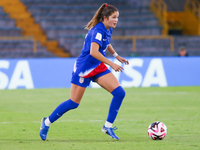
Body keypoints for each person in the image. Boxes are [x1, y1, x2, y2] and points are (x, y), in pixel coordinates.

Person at [39, 3, 129, 141]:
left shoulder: (108, 28)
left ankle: (107, 126)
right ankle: (46, 123)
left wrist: (116, 55)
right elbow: (93, 52)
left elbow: (107, 43)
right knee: (73, 103)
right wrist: (111, 63)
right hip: (84, 68)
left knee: (119, 93)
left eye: (117, 17)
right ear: (105, 18)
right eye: (114, 17)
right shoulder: (98, 30)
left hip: (97, 66)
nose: (116, 20)